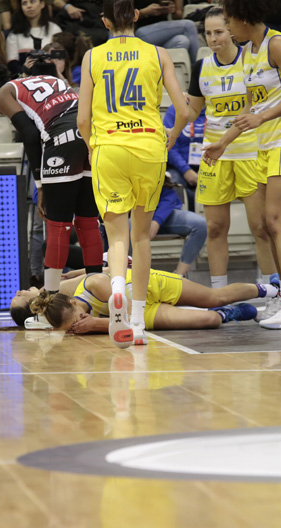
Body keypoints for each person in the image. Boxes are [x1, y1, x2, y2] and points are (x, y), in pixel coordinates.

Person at [78, 0, 189, 348]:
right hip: (148, 148)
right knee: (141, 237)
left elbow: (83, 119)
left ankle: (116, 290)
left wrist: (92, 146)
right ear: (137, 15)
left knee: (116, 238)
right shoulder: (158, 54)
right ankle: (138, 321)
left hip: (109, 148)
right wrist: (171, 137)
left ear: (105, 21)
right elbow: (183, 110)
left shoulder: (92, 57)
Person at [203, 0, 281, 331]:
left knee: (276, 220)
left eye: (228, 22)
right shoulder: (249, 52)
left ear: (243, 17)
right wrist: (223, 143)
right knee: (268, 224)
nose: (227, 29)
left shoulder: (276, 44)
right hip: (265, 144)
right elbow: (249, 111)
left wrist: (262, 117)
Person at [189, 7, 279, 308]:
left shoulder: (251, 60)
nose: (213, 38)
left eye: (218, 31)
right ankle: (220, 297)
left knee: (261, 227)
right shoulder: (201, 67)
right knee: (215, 228)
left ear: (230, 30)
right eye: (208, 33)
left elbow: (255, 107)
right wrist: (170, 131)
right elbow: (191, 110)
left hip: (250, 152)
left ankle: (272, 292)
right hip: (214, 155)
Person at [0, 59, 104, 295]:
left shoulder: (2, 94)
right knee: (88, 221)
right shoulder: (50, 79)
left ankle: (50, 300)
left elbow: (30, 135)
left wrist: (40, 185)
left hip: (62, 139)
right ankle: (96, 294)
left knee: (58, 226)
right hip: (92, 134)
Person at [14, 268, 279, 332]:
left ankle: (272, 289)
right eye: (72, 327)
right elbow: (133, 324)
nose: (78, 324)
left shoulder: (92, 287)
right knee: (209, 319)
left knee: (214, 296)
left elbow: (128, 315)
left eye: (77, 320)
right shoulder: (60, 315)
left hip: (147, 287)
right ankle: (227, 314)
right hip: (140, 311)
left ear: (73, 302)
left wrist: (96, 324)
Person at [150, 178, 207, 277]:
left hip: (163, 213)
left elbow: (168, 195)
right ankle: (132, 276)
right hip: (134, 216)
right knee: (128, 229)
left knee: (200, 224)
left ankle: (179, 276)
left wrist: (157, 220)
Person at [133, 0, 199, 63]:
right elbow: (127, 17)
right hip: (141, 32)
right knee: (189, 25)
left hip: (163, 31)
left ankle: (165, 68)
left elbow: (178, 15)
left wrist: (171, 10)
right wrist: (144, 12)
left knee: (182, 41)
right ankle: (198, 67)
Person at [6, 0, 62, 74]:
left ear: (42, 4)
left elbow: (60, 59)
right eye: (24, 3)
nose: (29, 6)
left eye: (32, 2)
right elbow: (12, 62)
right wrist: (26, 73)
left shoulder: (55, 29)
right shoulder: (15, 33)